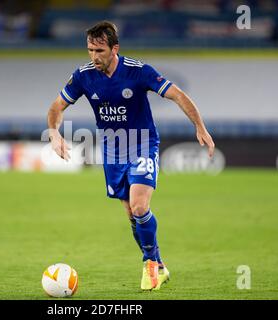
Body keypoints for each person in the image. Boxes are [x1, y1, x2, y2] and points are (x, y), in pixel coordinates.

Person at [47, 21, 215, 291]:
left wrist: (199, 126)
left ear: (115, 48)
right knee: (131, 215)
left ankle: (149, 264)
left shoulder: (138, 72)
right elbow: (57, 106)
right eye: (90, 50)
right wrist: (54, 132)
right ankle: (159, 265)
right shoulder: (83, 76)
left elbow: (178, 95)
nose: (93, 56)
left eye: (99, 50)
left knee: (139, 206)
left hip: (142, 143)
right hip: (112, 150)